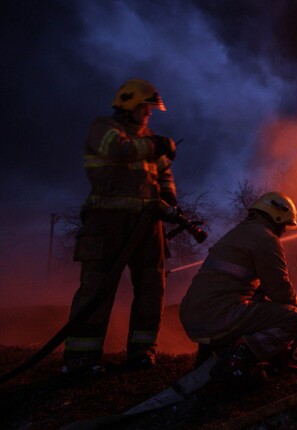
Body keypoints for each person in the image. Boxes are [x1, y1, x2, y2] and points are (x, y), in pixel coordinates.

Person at [63, 78, 179, 375]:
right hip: (106, 220)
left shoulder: (149, 138)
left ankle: (142, 353)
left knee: (152, 288)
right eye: (145, 107)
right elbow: (118, 150)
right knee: (97, 288)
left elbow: (164, 172)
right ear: (129, 104)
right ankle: (81, 358)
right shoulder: (103, 128)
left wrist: (168, 194)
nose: (149, 114)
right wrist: (155, 144)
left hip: (147, 223)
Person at [179, 192, 297, 387]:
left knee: (254, 302)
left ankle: (209, 356)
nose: (284, 231)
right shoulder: (266, 239)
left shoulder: (236, 233)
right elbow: (279, 289)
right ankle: (234, 362)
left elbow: (236, 284)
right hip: (216, 318)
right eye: (285, 225)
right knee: (293, 318)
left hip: (193, 317)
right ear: (277, 216)